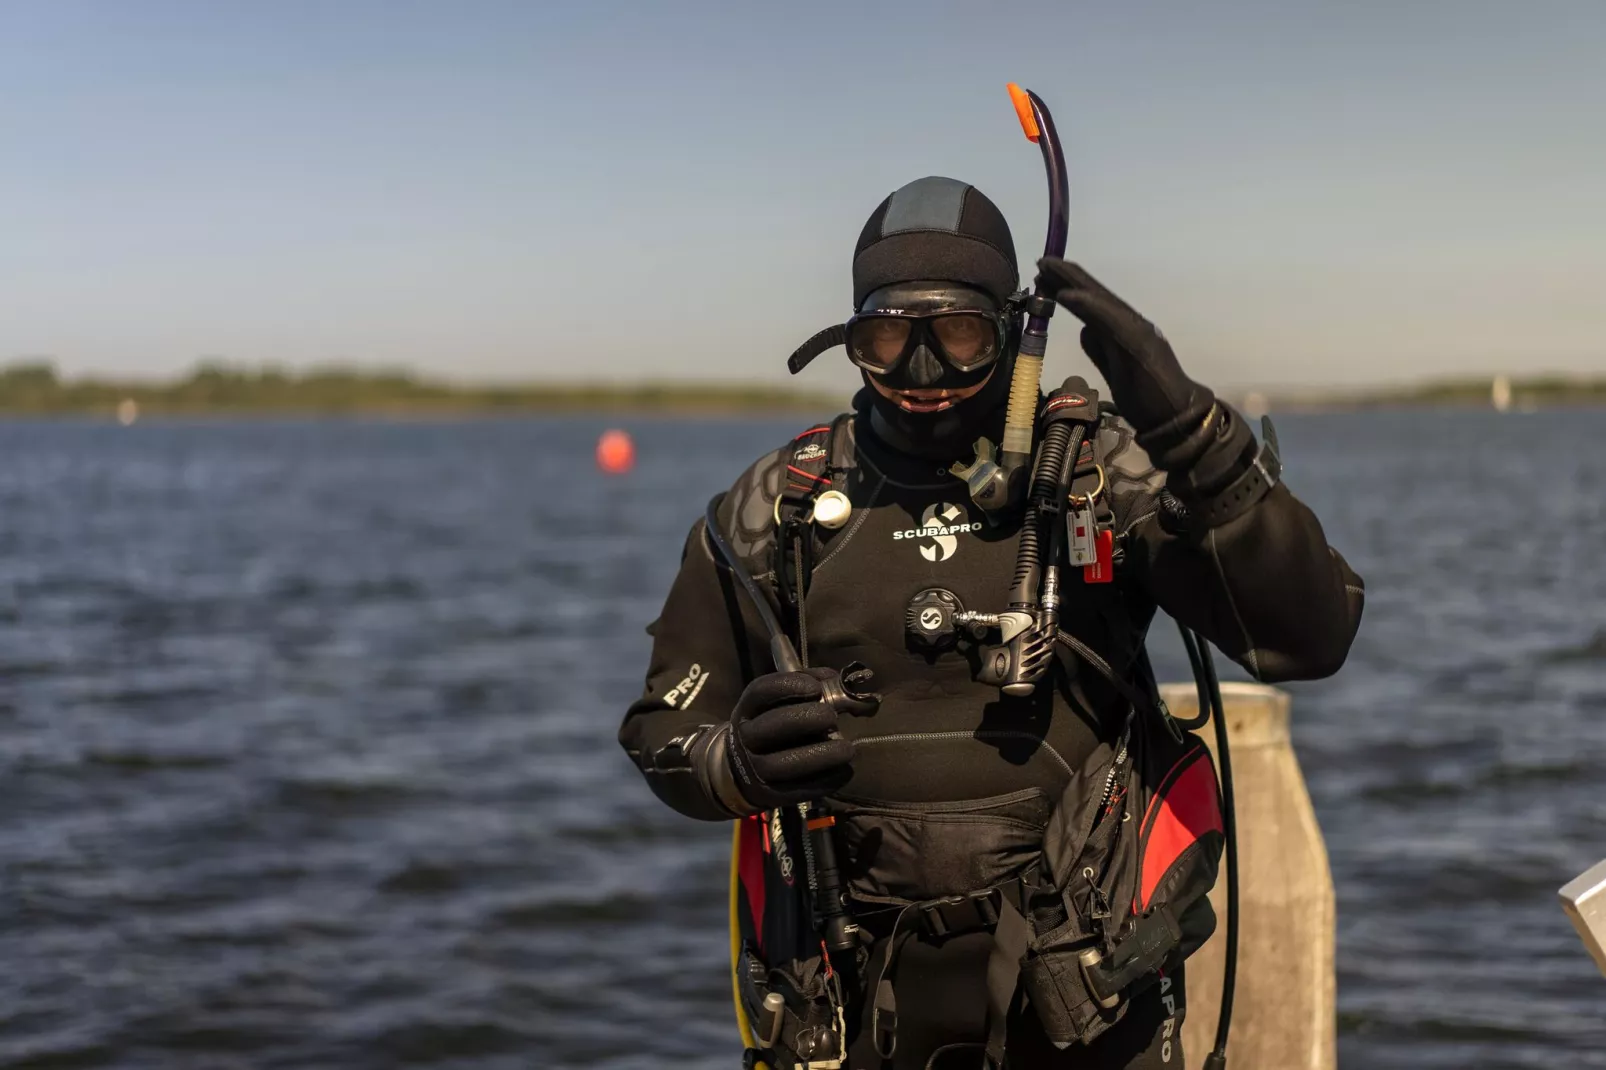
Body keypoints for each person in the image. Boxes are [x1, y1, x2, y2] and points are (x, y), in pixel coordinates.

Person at [619, 176, 1364, 1069]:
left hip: (1087, 1000)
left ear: (1011, 329)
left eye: (961, 335)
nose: (923, 375)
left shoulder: (1097, 473)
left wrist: (1201, 443)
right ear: (851, 339)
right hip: (852, 1005)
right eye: (888, 339)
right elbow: (663, 725)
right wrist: (729, 765)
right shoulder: (777, 508)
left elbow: (1312, 637)